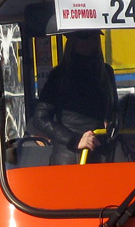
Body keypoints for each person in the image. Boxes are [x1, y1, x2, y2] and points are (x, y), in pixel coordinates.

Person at [32, 30, 117, 165]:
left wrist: (112, 123)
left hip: (101, 154)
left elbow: (114, 111)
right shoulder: (60, 75)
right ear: (72, 42)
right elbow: (40, 118)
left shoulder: (106, 72)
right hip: (70, 156)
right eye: (83, 37)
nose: (91, 41)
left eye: (94, 36)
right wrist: (75, 140)